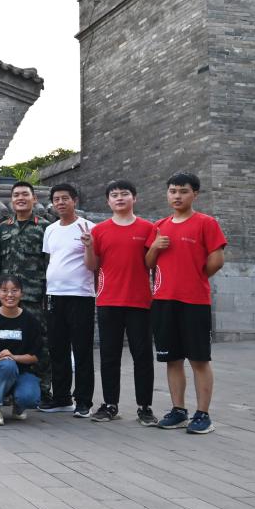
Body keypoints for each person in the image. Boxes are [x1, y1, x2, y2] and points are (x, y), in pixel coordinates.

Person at [146, 172, 227, 434]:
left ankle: (203, 415)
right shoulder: (159, 226)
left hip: (194, 301)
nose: (177, 196)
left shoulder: (206, 223)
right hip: (163, 301)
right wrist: (155, 247)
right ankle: (178, 410)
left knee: (199, 359)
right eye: (173, 191)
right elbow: (148, 263)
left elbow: (217, 260)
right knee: (172, 359)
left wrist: (195, 277)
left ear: (195, 194)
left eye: (183, 191)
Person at [81, 179, 156, 425]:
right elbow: (92, 266)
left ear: (135, 198)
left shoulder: (148, 228)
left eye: (125, 194)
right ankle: (110, 404)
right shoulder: (99, 231)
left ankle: (145, 407)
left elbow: (151, 263)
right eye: (114, 195)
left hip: (140, 301)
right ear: (108, 201)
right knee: (109, 355)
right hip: (108, 300)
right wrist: (89, 247)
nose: (120, 198)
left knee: (142, 356)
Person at [39, 183, 96, 417]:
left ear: (75, 200)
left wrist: (89, 245)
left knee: (82, 349)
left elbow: (94, 265)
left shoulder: (89, 228)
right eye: (56, 199)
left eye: (65, 198)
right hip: (55, 295)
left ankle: (83, 401)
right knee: (57, 348)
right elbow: (51, 260)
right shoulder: (50, 230)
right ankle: (61, 398)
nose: (60, 202)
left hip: (80, 295)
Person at [0, 181, 51, 405]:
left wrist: (47, 294)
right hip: (7, 297)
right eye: (16, 195)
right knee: (6, 338)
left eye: (25, 194)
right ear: (11, 200)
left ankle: (42, 387)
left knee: (40, 340)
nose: (20, 198)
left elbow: (50, 263)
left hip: (34, 295)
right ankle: (8, 388)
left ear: (34, 199)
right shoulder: (3, 228)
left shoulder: (45, 227)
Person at [0, 275, 42, 425]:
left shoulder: (31, 321)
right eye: (4, 290)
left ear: (22, 293)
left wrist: (13, 357)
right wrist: (1, 359)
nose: (9, 295)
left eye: (14, 290)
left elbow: (35, 356)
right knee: (7, 365)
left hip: (22, 372)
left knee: (30, 398)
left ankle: (19, 404)